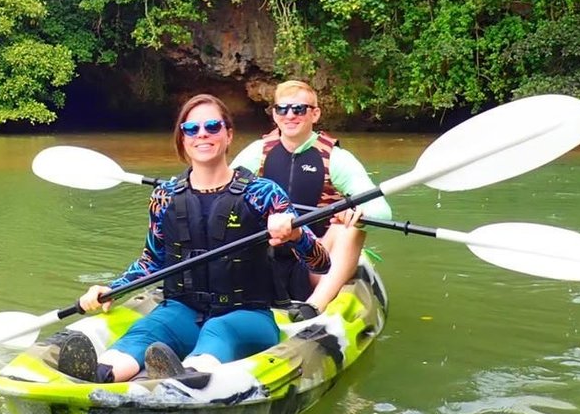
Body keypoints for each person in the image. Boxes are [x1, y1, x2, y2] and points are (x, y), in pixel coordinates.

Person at [56, 93, 331, 383]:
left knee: (219, 331)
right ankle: (99, 375)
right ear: (182, 139)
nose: (202, 134)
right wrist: (111, 289)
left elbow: (322, 262)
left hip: (247, 315)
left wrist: (296, 233)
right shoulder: (165, 196)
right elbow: (153, 260)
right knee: (150, 330)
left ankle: (185, 381)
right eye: (191, 129)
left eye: (212, 127)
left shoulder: (263, 193)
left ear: (228, 135)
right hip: (183, 309)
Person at [229, 79, 392, 319]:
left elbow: (382, 211)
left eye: (299, 109)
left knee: (350, 227)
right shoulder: (257, 153)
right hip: (266, 255)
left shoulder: (337, 158)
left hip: (316, 260)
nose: (290, 115)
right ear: (274, 115)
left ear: (315, 114)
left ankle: (314, 306)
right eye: (282, 109)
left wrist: (358, 213)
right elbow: (223, 193)